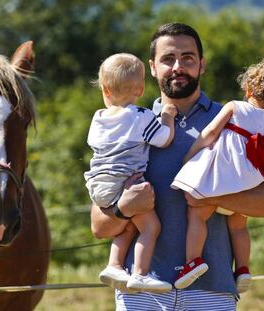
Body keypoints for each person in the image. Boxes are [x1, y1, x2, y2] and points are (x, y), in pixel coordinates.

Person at [90, 23, 264, 311]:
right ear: (153, 68)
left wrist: (212, 196)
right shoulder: (130, 125)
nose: (177, 67)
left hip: (211, 293)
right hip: (141, 294)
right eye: (168, 59)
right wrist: (125, 207)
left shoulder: (238, 121)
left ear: (202, 65)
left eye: (187, 58)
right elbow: (99, 226)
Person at [171, 55, 264, 292]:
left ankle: (193, 262)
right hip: (246, 183)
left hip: (220, 177)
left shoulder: (234, 106)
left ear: (249, 88)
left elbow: (209, 133)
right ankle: (242, 269)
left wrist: (190, 155)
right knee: (239, 227)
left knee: (197, 215)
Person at [84, 53, 177, 292]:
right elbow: (164, 139)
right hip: (127, 183)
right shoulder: (141, 116)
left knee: (129, 224)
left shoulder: (98, 118)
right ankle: (140, 273)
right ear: (140, 88)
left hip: (98, 185)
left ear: (105, 89)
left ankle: (114, 265)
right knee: (150, 227)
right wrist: (166, 116)